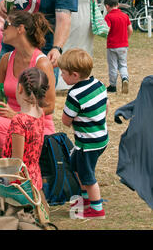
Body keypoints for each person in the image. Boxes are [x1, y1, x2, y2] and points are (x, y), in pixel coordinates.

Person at [0, 10, 56, 165]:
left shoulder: (41, 63)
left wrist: (18, 115)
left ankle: (16, 171)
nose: (1, 29)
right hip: (9, 120)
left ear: (20, 29)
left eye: (6, 25)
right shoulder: (6, 59)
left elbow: (50, 106)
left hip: (34, 125)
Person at [58, 48, 108, 220]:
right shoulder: (99, 84)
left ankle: (97, 209)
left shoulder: (74, 94)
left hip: (88, 144)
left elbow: (65, 121)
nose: (61, 76)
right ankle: (85, 200)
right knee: (76, 167)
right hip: (100, 138)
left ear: (74, 75)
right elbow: (105, 108)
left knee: (88, 177)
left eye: (63, 73)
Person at [2, 67, 50, 191]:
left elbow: (16, 163)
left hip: (20, 185)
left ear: (20, 88)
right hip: (35, 179)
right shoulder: (40, 112)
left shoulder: (19, 121)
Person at [57, 0, 96, 91]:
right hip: (86, 17)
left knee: (66, 45)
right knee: (84, 46)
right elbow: (94, 0)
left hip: (71, 15)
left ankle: (63, 80)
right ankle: (83, 76)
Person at [103, 0, 133, 94]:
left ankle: (113, 86)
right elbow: (130, 30)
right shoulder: (125, 16)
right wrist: (126, 38)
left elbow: (107, 29)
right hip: (123, 45)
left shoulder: (109, 17)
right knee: (123, 65)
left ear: (107, 6)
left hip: (112, 45)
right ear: (118, 4)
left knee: (113, 66)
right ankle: (125, 78)